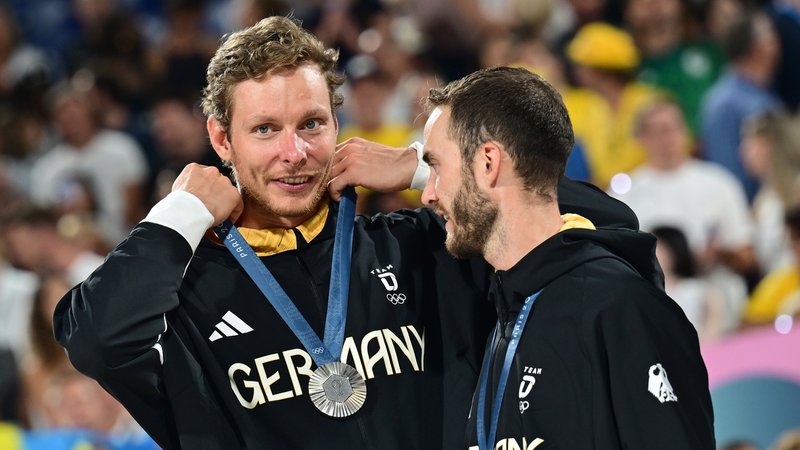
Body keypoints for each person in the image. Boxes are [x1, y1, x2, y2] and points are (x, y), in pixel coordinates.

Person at [54, 17, 639, 450]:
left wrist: (422, 167)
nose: (294, 153)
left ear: (338, 124)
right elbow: (95, 340)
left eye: (312, 124)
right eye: (265, 129)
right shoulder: (184, 295)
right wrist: (179, 217)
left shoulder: (424, 245)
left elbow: (611, 229)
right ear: (221, 139)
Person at [413, 66, 714, 448]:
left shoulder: (619, 306)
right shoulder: (506, 309)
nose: (428, 193)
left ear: (488, 163)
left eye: (435, 167)